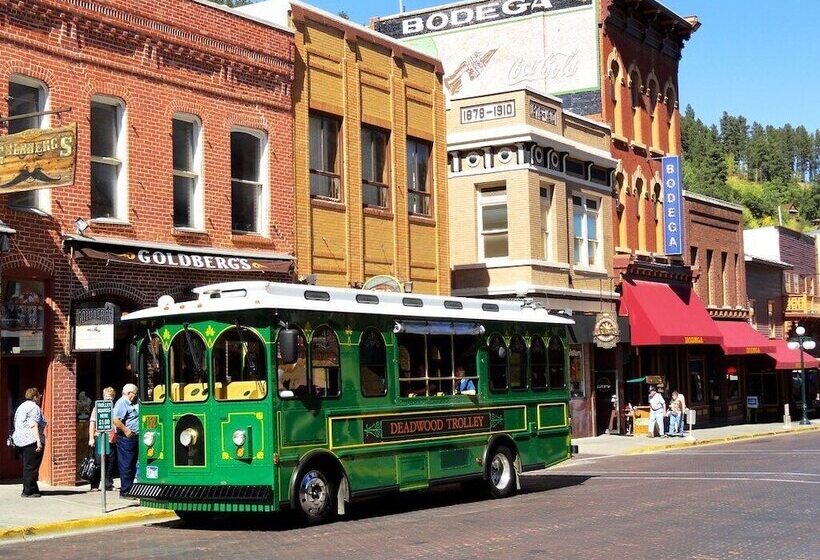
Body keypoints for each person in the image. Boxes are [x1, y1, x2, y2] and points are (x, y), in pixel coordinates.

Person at [12, 388, 47, 498]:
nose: (40, 398)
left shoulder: (21, 407)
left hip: (19, 440)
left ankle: (32, 488)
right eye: (39, 396)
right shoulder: (34, 407)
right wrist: (38, 442)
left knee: (28, 466)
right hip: (31, 440)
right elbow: (33, 424)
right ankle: (28, 491)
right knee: (31, 467)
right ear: (35, 397)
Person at [88, 387, 117, 491]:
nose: (108, 400)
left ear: (113, 398)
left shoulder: (115, 409)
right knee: (99, 462)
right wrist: (91, 438)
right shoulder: (97, 409)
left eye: (110, 398)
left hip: (111, 439)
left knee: (111, 462)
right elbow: (92, 423)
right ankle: (95, 484)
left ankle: (108, 484)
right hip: (100, 437)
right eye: (106, 397)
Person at [113, 383, 139, 498]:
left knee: (132, 464)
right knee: (126, 464)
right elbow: (116, 420)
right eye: (135, 393)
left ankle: (130, 489)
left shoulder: (131, 403)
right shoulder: (122, 403)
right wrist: (126, 430)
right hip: (126, 439)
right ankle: (125, 491)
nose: (136, 396)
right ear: (129, 393)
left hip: (134, 437)